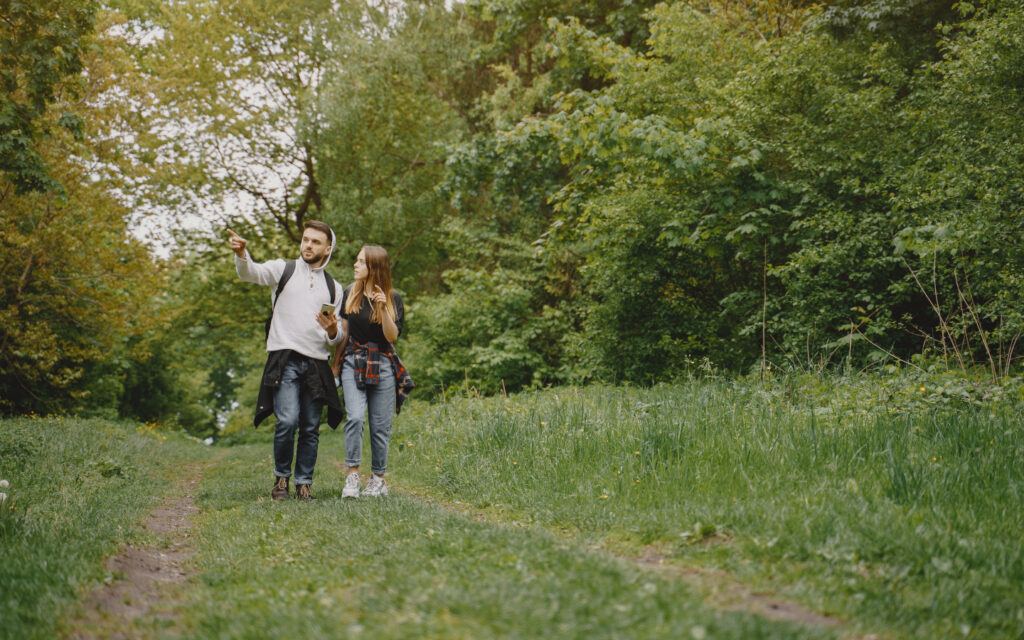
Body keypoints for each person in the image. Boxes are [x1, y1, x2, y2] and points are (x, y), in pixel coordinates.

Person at [229, 221, 344, 501]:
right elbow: (251, 273)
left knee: (309, 427)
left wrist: (331, 329)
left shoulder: (334, 287)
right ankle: (282, 479)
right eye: (306, 239)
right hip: (286, 360)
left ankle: (304, 483)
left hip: (317, 364)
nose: (308, 245)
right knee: (287, 420)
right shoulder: (284, 270)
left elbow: (337, 336)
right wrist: (242, 254)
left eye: (315, 242)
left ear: (327, 248)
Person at [332, 245, 414, 499]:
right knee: (355, 418)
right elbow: (343, 334)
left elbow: (392, 336)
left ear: (374, 267)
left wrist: (383, 308)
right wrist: (335, 365)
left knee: (380, 426)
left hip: (383, 361)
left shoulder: (393, 297)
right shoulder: (350, 293)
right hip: (353, 361)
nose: (355, 265)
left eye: (360, 262)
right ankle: (352, 476)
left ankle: (378, 480)